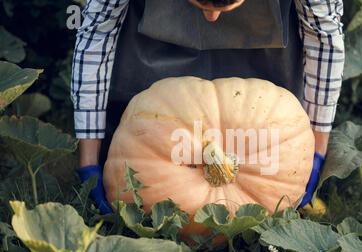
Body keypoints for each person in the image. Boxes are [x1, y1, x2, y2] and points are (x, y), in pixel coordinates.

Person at [72, 0, 345, 215]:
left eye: (227, 5)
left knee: (270, 143)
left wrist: (314, 152)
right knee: (143, 146)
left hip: (262, 78)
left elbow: (324, 35)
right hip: (155, 58)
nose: (212, 19)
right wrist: (89, 161)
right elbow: (99, 28)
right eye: (199, 3)